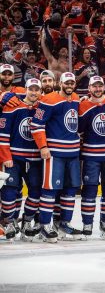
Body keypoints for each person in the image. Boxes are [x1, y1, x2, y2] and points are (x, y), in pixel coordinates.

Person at [30, 72, 82, 243]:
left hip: (73, 153)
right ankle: (45, 225)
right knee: (50, 189)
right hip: (55, 153)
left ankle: (63, 223)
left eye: (72, 82)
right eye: (66, 82)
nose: (69, 85)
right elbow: (36, 124)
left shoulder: (75, 98)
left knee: (70, 189)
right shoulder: (48, 100)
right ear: (60, 83)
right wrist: (43, 146)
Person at [78, 76, 105, 239]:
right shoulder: (83, 105)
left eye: (100, 86)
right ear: (89, 88)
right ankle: (87, 223)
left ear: (104, 87)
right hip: (91, 155)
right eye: (94, 87)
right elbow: (80, 129)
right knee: (89, 189)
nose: (97, 89)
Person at [0, 78, 43, 241]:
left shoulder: (42, 109)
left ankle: (27, 220)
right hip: (15, 158)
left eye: (36, 89)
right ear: (25, 90)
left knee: (36, 191)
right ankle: (9, 221)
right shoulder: (12, 108)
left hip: (35, 160)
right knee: (10, 190)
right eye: (31, 89)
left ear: (40, 92)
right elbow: (3, 135)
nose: (33, 92)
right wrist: (6, 157)